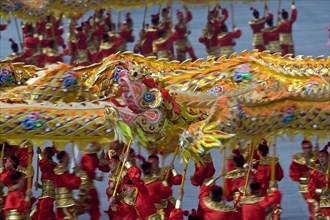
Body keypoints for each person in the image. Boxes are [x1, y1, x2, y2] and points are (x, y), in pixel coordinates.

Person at [289, 140, 318, 220]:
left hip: (318, 185)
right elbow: (293, 175)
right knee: (313, 204)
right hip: (306, 186)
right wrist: (305, 177)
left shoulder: (317, 157)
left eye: (309, 148)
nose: (307, 150)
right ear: (302, 148)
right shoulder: (297, 160)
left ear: (311, 148)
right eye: (305, 148)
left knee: (321, 205)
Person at [76, 142, 103, 220]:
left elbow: (98, 164)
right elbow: (90, 170)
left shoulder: (93, 155)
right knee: (93, 204)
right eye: (98, 145)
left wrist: (103, 160)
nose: (99, 147)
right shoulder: (87, 155)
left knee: (91, 205)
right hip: (86, 184)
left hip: (88, 183)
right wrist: (97, 177)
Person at [31, 146, 57, 220]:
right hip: (45, 194)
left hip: (48, 196)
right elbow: (47, 185)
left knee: (42, 216)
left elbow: (44, 165)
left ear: (47, 154)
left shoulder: (52, 165)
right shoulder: (50, 164)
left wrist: (39, 154)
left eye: (44, 153)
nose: (43, 154)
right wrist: (39, 186)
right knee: (34, 214)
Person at [53, 151, 81, 220]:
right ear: (64, 158)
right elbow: (72, 184)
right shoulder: (62, 171)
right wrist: (77, 174)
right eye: (67, 156)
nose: (69, 158)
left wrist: (74, 173)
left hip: (62, 202)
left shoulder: (59, 170)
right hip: (66, 202)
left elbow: (67, 180)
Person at [308, 143, 330, 219]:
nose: (321, 159)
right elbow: (311, 189)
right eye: (319, 157)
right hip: (321, 201)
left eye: (323, 156)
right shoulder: (315, 172)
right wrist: (321, 191)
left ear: (328, 157)